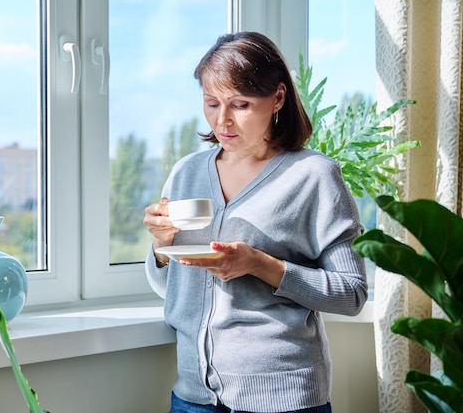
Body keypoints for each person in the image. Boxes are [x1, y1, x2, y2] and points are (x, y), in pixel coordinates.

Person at [143, 31, 368, 413]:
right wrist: (161, 247)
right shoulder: (187, 173)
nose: (222, 120)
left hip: (284, 397)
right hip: (193, 397)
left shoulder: (313, 175)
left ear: (278, 97)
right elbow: (170, 286)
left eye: (240, 104)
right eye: (211, 103)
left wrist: (261, 265)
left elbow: (352, 294)